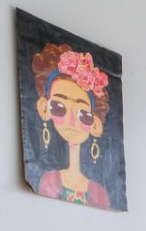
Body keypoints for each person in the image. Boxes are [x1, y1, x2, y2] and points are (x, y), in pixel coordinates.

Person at [31, 43, 113, 209]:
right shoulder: (49, 181)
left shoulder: (99, 193)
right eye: (60, 108)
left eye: (83, 115)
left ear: (95, 125)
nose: (71, 121)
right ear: (44, 109)